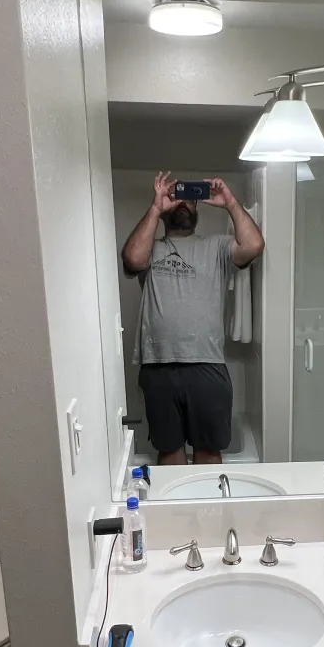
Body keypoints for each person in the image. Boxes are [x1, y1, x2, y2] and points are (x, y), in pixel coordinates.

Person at [121, 171, 264, 465]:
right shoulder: (151, 249)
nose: (184, 203)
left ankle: (209, 511)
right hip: (158, 365)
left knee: (208, 451)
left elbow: (253, 245)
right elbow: (133, 259)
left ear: (198, 208)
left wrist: (230, 203)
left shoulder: (217, 247)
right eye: (176, 197)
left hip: (207, 364)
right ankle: (175, 513)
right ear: (164, 208)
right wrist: (155, 207)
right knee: (169, 451)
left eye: (191, 199)